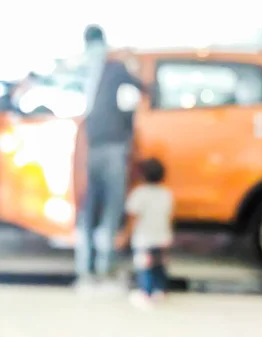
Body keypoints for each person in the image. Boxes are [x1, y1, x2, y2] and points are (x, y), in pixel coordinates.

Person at [74, 24, 146, 293]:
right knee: (111, 209)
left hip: (84, 149)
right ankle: (105, 267)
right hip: (114, 146)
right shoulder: (115, 67)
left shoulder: (79, 70)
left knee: (87, 208)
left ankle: (85, 269)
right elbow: (141, 91)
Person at [118, 158, 173, 309]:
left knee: (145, 266)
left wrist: (125, 235)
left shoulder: (139, 194)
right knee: (159, 266)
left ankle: (146, 293)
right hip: (162, 237)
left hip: (144, 239)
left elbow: (133, 218)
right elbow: (168, 216)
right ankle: (160, 291)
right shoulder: (166, 194)